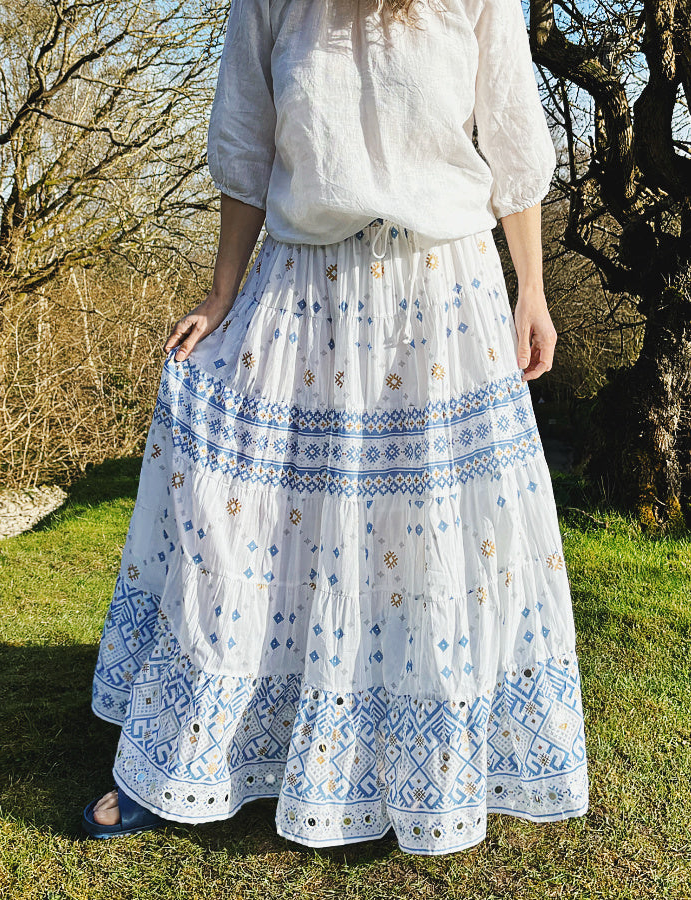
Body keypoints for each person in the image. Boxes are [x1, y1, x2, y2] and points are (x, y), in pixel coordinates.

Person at [82, 0, 589, 854]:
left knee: (427, 539)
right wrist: (221, 293)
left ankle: (424, 774)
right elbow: (247, 148)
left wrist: (530, 290)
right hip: (301, 285)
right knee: (245, 524)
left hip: (441, 296)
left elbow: (510, 138)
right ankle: (182, 755)